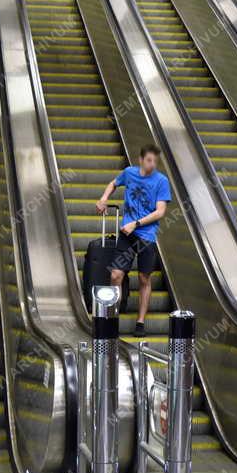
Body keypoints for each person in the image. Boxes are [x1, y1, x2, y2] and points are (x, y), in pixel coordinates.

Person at [95, 144, 171, 338]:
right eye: (149, 160)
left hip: (146, 236)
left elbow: (160, 212)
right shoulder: (129, 173)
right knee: (115, 275)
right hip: (127, 235)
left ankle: (140, 322)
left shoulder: (161, 181)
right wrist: (103, 199)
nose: (152, 164)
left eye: (155, 161)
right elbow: (113, 183)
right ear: (141, 160)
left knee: (145, 278)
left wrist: (135, 224)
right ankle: (112, 319)